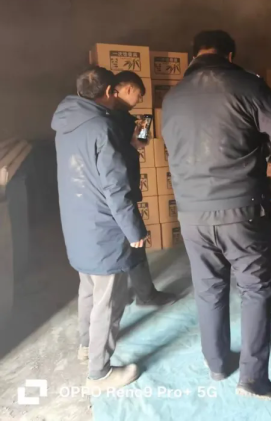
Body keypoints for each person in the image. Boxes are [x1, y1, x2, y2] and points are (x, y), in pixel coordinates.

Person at [162, 30, 271, 400]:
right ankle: (252, 378)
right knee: (255, 288)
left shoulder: (172, 97)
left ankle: (218, 364)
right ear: (230, 55)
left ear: (194, 55)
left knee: (209, 288)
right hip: (241, 209)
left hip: (191, 213)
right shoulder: (249, 86)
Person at [51, 67, 146, 390]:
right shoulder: (102, 127)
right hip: (104, 225)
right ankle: (100, 372)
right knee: (110, 299)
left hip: (77, 220)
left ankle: (85, 346)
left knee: (88, 289)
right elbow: (115, 187)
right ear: (109, 92)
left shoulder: (65, 123)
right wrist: (134, 229)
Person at [111, 71, 177, 307]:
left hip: (111, 191)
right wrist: (137, 139)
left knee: (120, 244)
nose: (139, 100)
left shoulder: (104, 116)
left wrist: (136, 140)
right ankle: (145, 295)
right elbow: (133, 146)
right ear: (128, 89)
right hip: (121, 190)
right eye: (139, 95)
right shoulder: (119, 118)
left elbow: (132, 146)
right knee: (135, 241)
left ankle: (123, 294)